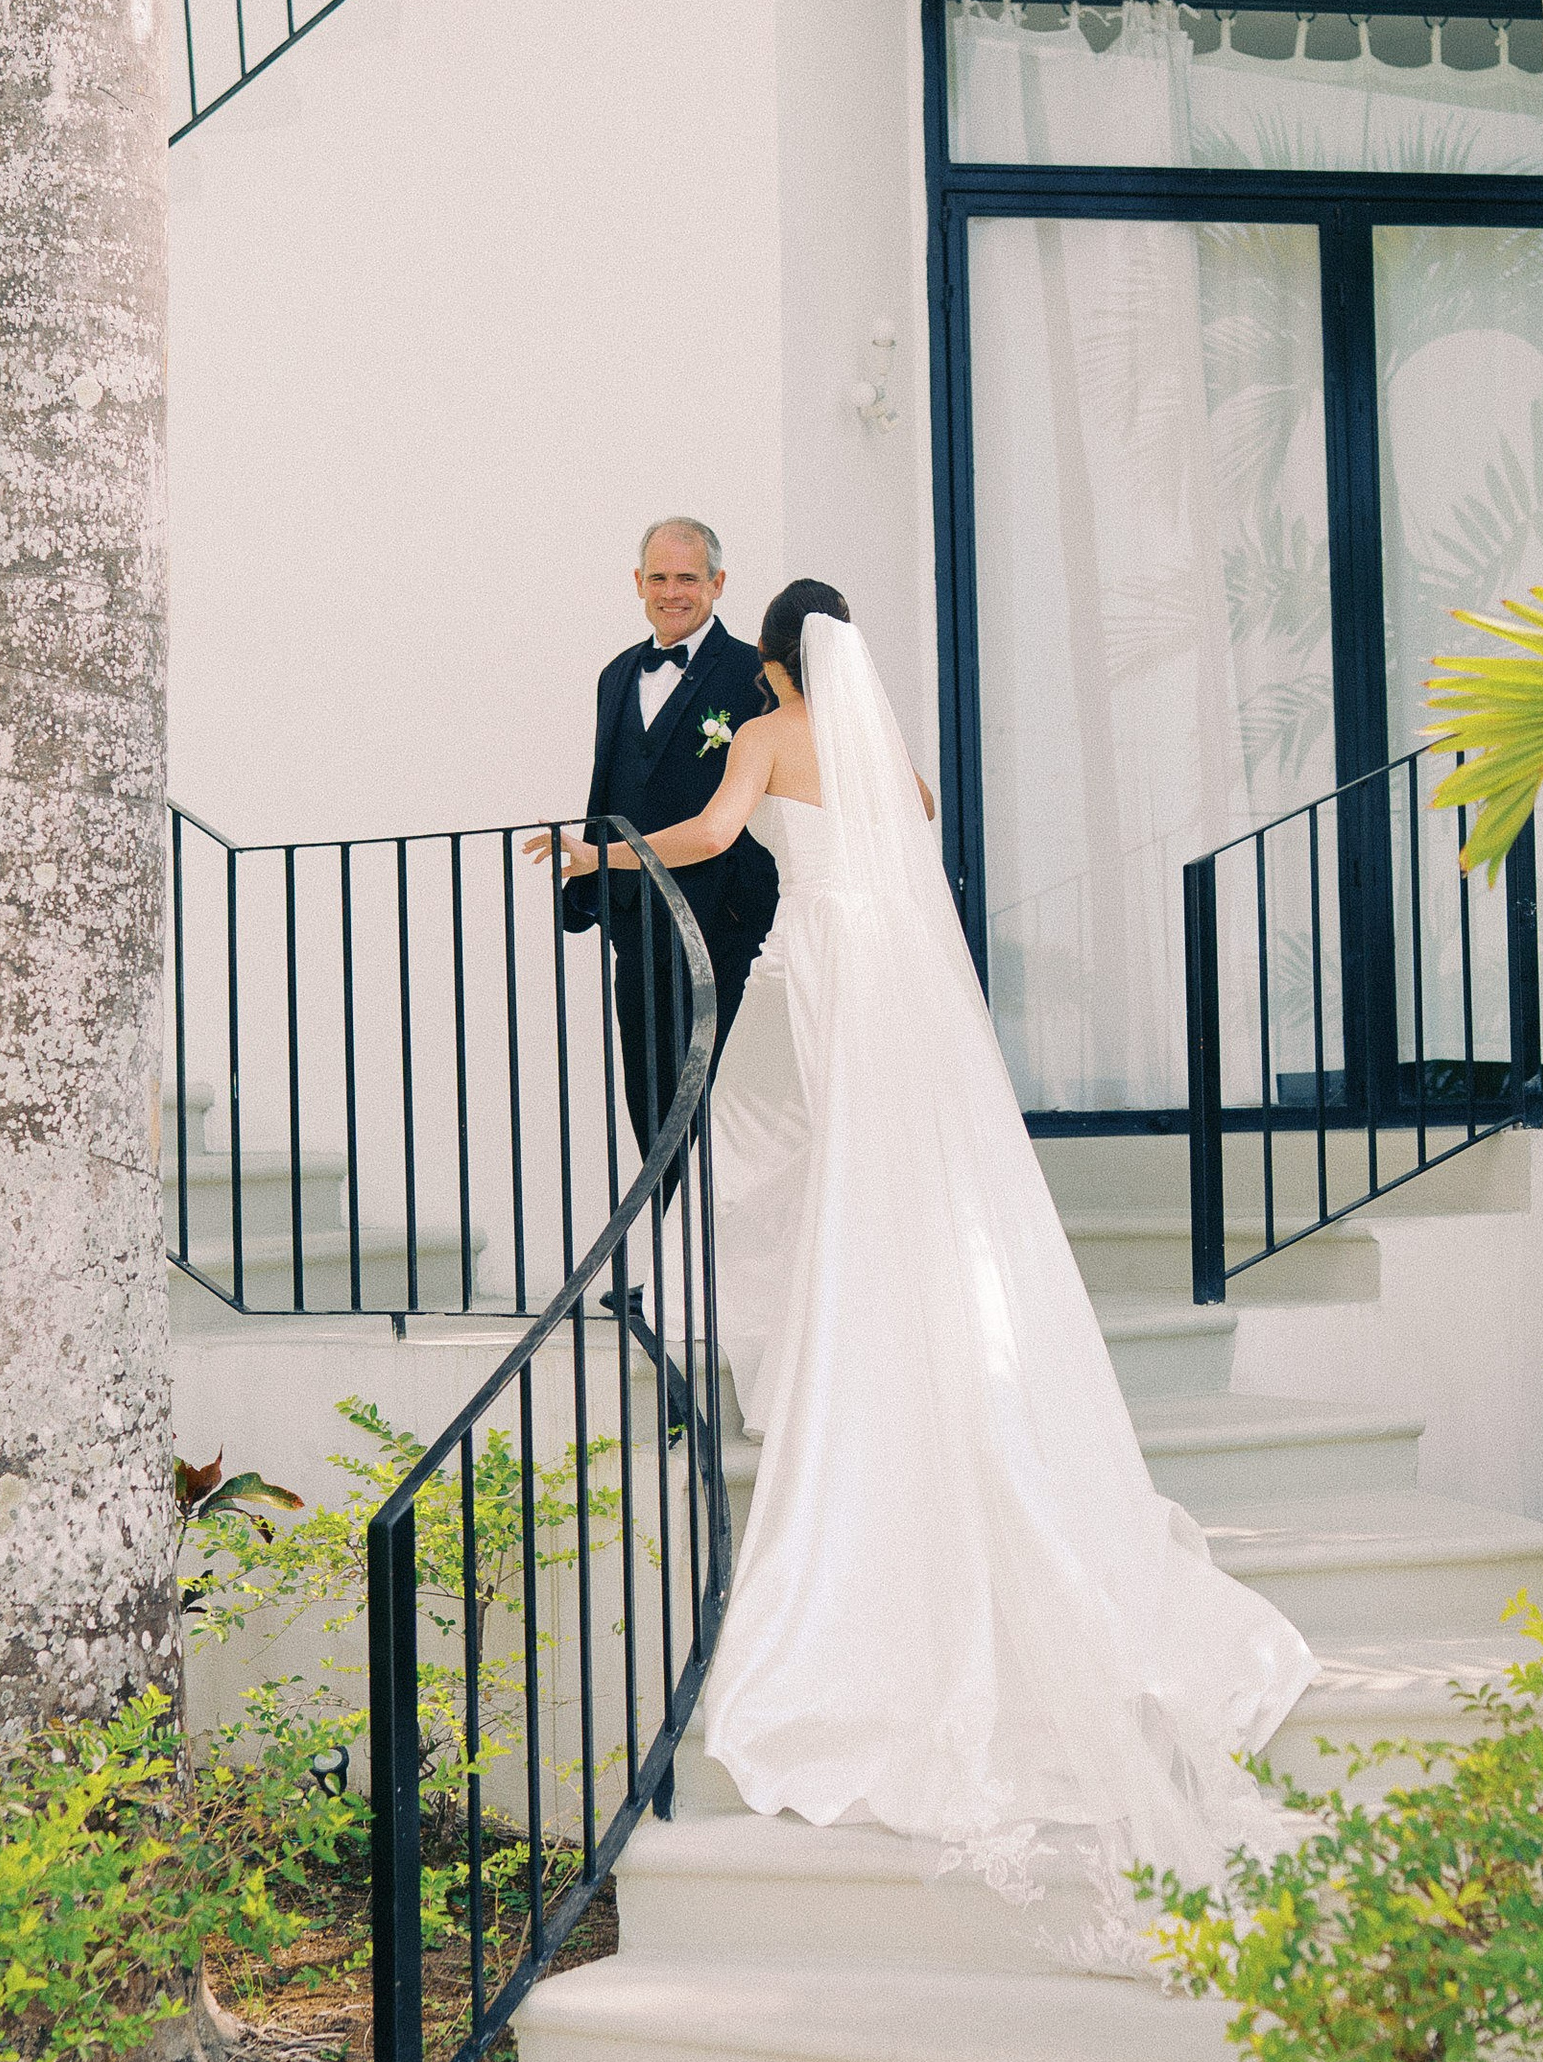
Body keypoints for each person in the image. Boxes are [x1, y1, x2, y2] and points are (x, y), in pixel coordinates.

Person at [552, 575, 1313, 1952]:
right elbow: (910, 830)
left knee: (756, 1136)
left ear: (777, 663)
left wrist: (604, 856)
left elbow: (714, 834)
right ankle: (884, 1354)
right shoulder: (882, 751)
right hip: (902, 971)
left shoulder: (770, 734)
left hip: (817, 973)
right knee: (904, 1180)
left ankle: (808, 1363)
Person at [537, 518, 778, 1217]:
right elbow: (611, 783)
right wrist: (592, 886)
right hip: (636, 926)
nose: (673, 593)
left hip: (725, 926)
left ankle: (720, 1272)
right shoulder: (617, 673)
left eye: (689, 578)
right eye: (660, 578)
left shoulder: (752, 672)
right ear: (639, 584)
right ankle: (681, 1264)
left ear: (718, 584)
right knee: (649, 1096)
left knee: (716, 1099)